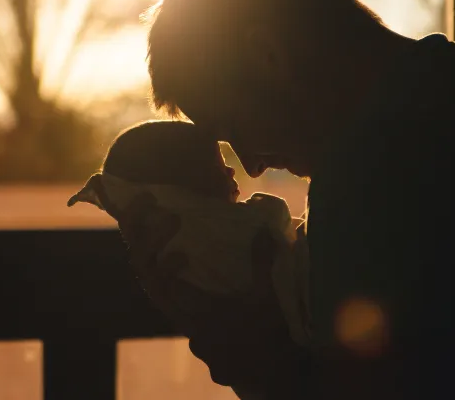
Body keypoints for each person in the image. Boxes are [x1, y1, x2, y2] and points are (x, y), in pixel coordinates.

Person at [114, 0, 455, 399]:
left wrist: (241, 351)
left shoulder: (371, 170)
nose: (250, 166)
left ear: (269, 55)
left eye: (235, 128)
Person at [67, 121, 311, 362]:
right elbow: (276, 225)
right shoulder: (218, 232)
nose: (235, 170)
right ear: (180, 192)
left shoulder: (167, 250)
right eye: (217, 167)